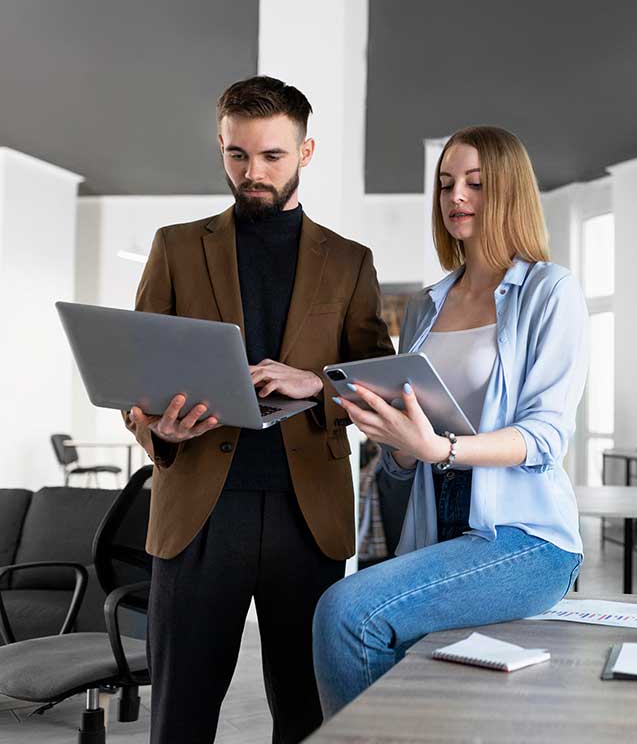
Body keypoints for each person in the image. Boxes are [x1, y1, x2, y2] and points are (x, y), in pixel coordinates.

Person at [123, 75, 393, 743]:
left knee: (306, 715)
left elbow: (380, 386)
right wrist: (154, 424)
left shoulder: (351, 262)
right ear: (221, 145)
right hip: (198, 511)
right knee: (179, 715)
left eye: (272, 156)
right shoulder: (177, 247)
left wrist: (316, 385)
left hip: (309, 518)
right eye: (237, 155)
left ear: (304, 153)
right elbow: (137, 375)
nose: (252, 173)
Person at [312, 125, 587, 716]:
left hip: (525, 539)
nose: (456, 196)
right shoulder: (424, 306)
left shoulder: (550, 291)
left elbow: (545, 436)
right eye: (445, 184)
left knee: (345, 613)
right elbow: (405, 456)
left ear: (510, 192)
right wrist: (398, 440)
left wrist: (440, 449)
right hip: (440, 532)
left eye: (477, 184)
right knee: (380, 640)